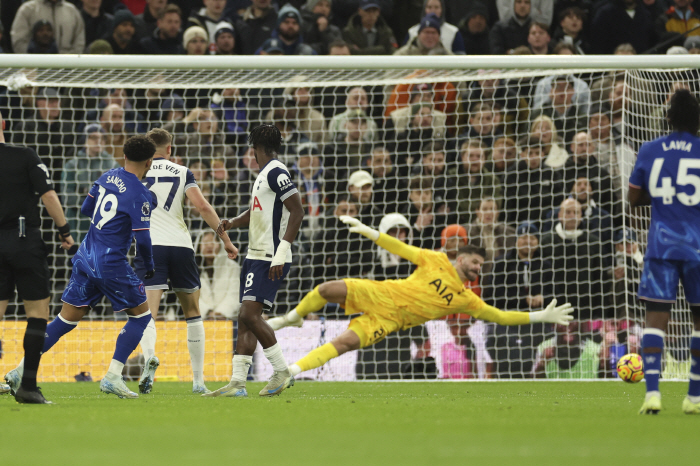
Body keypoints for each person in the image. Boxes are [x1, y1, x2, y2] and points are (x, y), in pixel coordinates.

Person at [267, 215, 574, 380]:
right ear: (462, 257)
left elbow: (501, 316)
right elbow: (401, 249)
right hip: (379, 292)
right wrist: (369, 231)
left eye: (482, 266)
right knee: (325, 290)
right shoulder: (435, 259)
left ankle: (289, 372)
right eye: (475, 263)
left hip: (390, 321)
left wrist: (540, 316)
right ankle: (291, 319)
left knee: (343, 344)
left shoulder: (466, 299)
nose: (478, 269)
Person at [4, 135, 156, 400]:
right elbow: (142, 238)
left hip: (86, 256)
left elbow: (87, 208)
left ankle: (18, 372)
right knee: (141, 317)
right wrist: (149, 265)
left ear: (124, 156)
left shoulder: (107, 176)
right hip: (111, 262)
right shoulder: (141, 193)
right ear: (149, 162)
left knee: (64, 320)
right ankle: (113, 376)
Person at [132, 128, 238, 395]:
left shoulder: (135, 173)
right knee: (193, 313)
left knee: (148, 314)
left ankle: (148, 365)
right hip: (181, 246)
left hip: (150, 246)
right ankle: (199, 381)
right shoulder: (182, 172)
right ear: (170, 149)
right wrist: (224, 239)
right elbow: (202, 207)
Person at [206, 124, 305, 398]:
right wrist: (233, 223)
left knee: (249, 314)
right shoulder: (264, 174)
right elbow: (257, 210)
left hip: (269, 256)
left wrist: (281, 254)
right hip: (254, 255)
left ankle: (282, 371)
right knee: (246, 319)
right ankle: (238, 383)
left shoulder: (276, 171)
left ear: (254, 149)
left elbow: (297, 211)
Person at [628, 88, 700, 414]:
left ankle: (653, 394)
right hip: (698, 244)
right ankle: (694, 398)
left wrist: (659, 200)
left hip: (660, 243)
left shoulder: (649, 149)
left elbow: (633, 198)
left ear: (667, 117)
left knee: (656, 319)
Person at [0, 110, 74, 403]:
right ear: (4, 124)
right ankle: (28, 386)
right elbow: (49, 196)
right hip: (23, 240)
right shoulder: (24, 155)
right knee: (37, 315)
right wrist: (65, 232)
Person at [11, 0, 85, 54]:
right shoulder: (28, 9)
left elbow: (79, 41)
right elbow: (19, 40)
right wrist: (32, 59)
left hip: (67, 67)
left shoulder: (72, 10)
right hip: (33, 67)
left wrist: (70, 61)